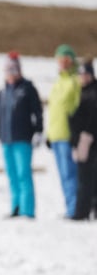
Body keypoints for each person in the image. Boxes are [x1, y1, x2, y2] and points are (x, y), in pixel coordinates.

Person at [0, 51, 43, 219]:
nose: (11, 74)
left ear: (19, 70)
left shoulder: (27, 88)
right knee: (12, 175)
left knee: (23, 174)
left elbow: (38, 111)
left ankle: (28, 210)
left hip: (23, 138)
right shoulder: (2, 92)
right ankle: (16, 207)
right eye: (8, 70)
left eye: (14, 70)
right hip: (6, 139)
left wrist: (39, 131)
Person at [46, 44, 82, 218]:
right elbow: (54, 109)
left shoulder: (75, 81)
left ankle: (75, 208)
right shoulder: (58, 82)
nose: (63, 63)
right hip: (56, 135)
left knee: (71, 174)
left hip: (69, 135)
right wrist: (48, 134)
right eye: (60, 60)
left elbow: (78, 108)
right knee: (62, 175)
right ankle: (69, 206)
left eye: (66, 59)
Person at [69, 59, 97, 220]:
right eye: (81, 74)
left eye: (86, 74)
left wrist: (87, 134)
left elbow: (91, 117)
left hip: (89, 139)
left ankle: (82, 212)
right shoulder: (82, 91)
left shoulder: (92, 92)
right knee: (86, 176)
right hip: (82, 138)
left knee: (86, 177)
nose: (84, 77)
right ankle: (87, 209)